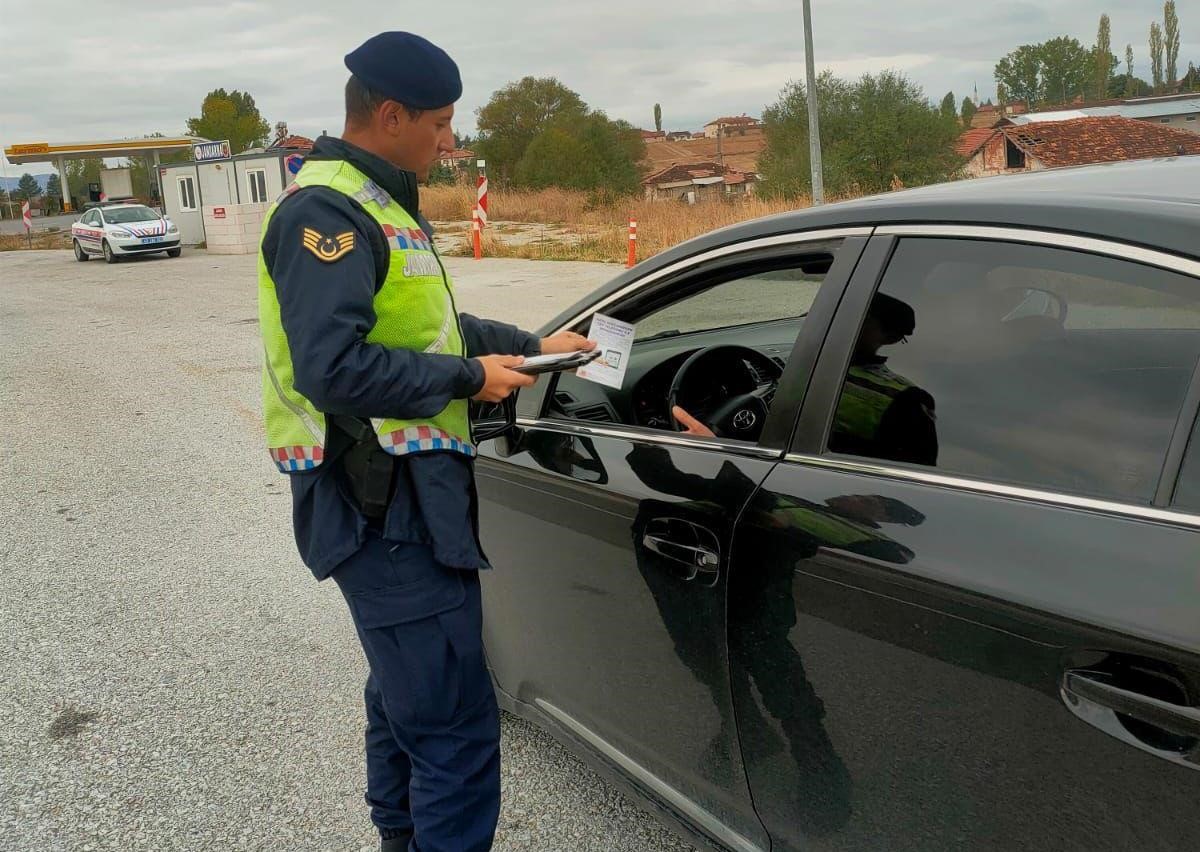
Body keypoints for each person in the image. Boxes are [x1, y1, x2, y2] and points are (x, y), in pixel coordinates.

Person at [256, 32, 593, 852]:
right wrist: (468, 380)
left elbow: (435, 329)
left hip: (407, 495)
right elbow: (332, 368)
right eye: (440, 125)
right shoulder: (325, 213)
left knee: (406, 699)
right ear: (391, 113)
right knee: (453, 729)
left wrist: (543, 346)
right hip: (376, 500)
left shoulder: (375, 201)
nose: (449, 142)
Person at [674, 293, 937, 467]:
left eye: (860, 317)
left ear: (889, 335)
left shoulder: (908, 401)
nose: (837, 322)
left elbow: (906, 494)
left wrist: (716, 454)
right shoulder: (822, 368)